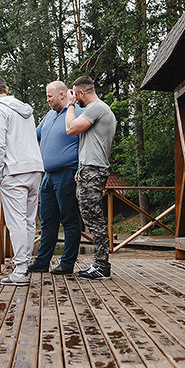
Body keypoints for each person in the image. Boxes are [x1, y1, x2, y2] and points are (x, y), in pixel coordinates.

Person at [0, 74, 44, 286]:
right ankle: (24, 264)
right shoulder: (25, 109)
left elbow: (0, 144)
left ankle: (20, 271)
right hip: (34, 167)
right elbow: (19, 139)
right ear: (7, 89)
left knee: (16, 221)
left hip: (14, 171)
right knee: (28, 219)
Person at [64, 75, 117, 280]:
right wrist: (81, 168)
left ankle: (102, 265)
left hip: (93, 170)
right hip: (89, 169)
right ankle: (100, 263)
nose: (75, 99)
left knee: (92, 217)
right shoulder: (99, 110)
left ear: (81, 93)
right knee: (91, 215)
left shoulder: (96, 108)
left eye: (75, 95)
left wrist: (70, 106)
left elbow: (71, 129)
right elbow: (89, 142)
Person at [27, 81, 83, 275]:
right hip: (48, 176)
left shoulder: (77, 113)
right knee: (48, 220)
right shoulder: (49, 116)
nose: (47, 99)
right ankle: (42, 261)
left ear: (62, 95)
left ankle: (67, 263)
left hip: (67, 173)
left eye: (50, 95)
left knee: (69, 219)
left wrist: (80, 169)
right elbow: (33, 136)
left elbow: (86, 143)